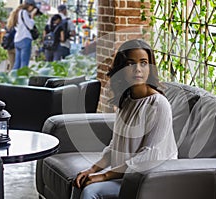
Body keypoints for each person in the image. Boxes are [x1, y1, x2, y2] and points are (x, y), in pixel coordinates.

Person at [71, 39, 178, 199]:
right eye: (130, 64)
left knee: (91, 191)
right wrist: (92, 170)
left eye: (143, 63)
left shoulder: (158, 104)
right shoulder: (126, 100)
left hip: (149, 180)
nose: (138, 70)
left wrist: (104, 176)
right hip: (126, 175)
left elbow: (149, 156)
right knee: (81, 183)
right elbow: (116, 146)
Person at [7, 0, 38, 70]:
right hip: (25, 39)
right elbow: (30, 26)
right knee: (24, 64)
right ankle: (22, 79)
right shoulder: (24, 12)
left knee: (17, 63)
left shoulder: (17, 13)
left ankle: (13, 78)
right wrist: (32, 16)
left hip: (17, 40)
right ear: (30, 6)